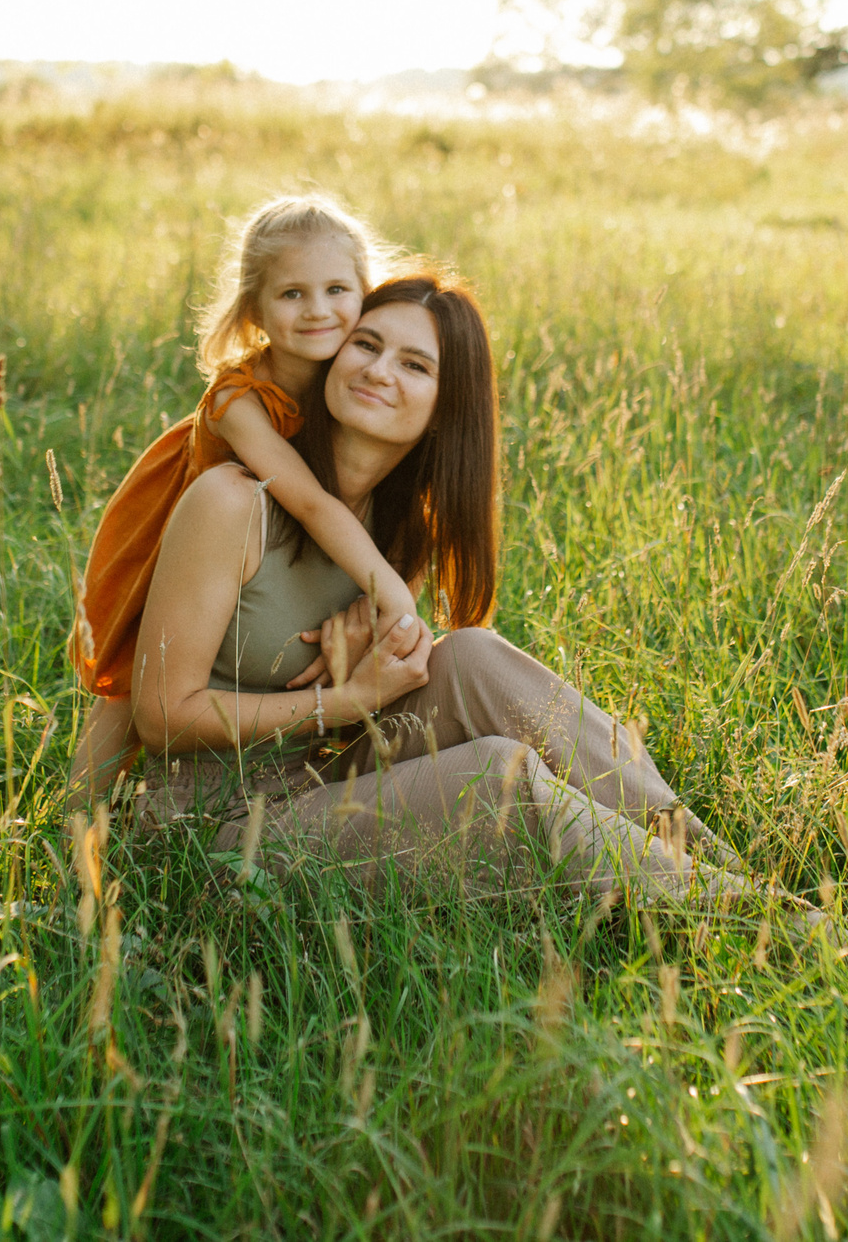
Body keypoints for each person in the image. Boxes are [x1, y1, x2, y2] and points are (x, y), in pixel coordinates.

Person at [128, 270, 778, 911]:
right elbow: (160, 716)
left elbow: (394, 697)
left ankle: (716, 860)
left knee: (474, 656)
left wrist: (378, 671)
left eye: (415, 365)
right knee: (500, 776)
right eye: (367, 344)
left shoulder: (393, 528)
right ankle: (758, 923)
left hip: (315, 784)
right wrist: (346, 699)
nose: (379, 370)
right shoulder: (233, 501)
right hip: (211, 835)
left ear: (447, 408)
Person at [63, 195, 431, 808]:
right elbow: (311, 502)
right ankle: (71, 826)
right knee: (134, 674)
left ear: (366, 292)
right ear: (254, 310)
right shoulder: (239, 401)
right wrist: (392, 592)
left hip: (264, 536)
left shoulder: (351, 372)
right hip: (188, 525)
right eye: (292, 295)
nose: (318, 311)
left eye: (338, 289)